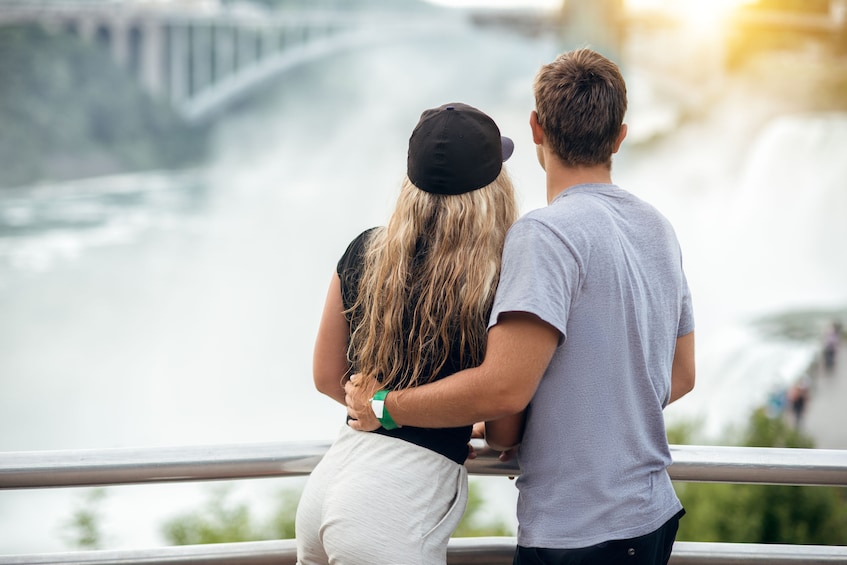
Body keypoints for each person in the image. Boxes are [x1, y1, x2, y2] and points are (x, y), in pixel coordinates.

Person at [346, 48, 696, 565]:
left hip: (579, 531)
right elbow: (682, 374)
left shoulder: (544, 233)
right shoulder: (656, 228)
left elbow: (506, 386)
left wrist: (385, 407)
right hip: (651, 519)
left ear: (536, 128)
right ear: (620, 136)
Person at [295, 102, 519, 564]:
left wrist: (384, 409)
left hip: (329, 483)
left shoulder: (365, 251)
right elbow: (501, 428)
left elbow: (326, 375)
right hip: (390, 509)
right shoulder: (495, 282)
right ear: (491, 193)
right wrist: (444, 415)